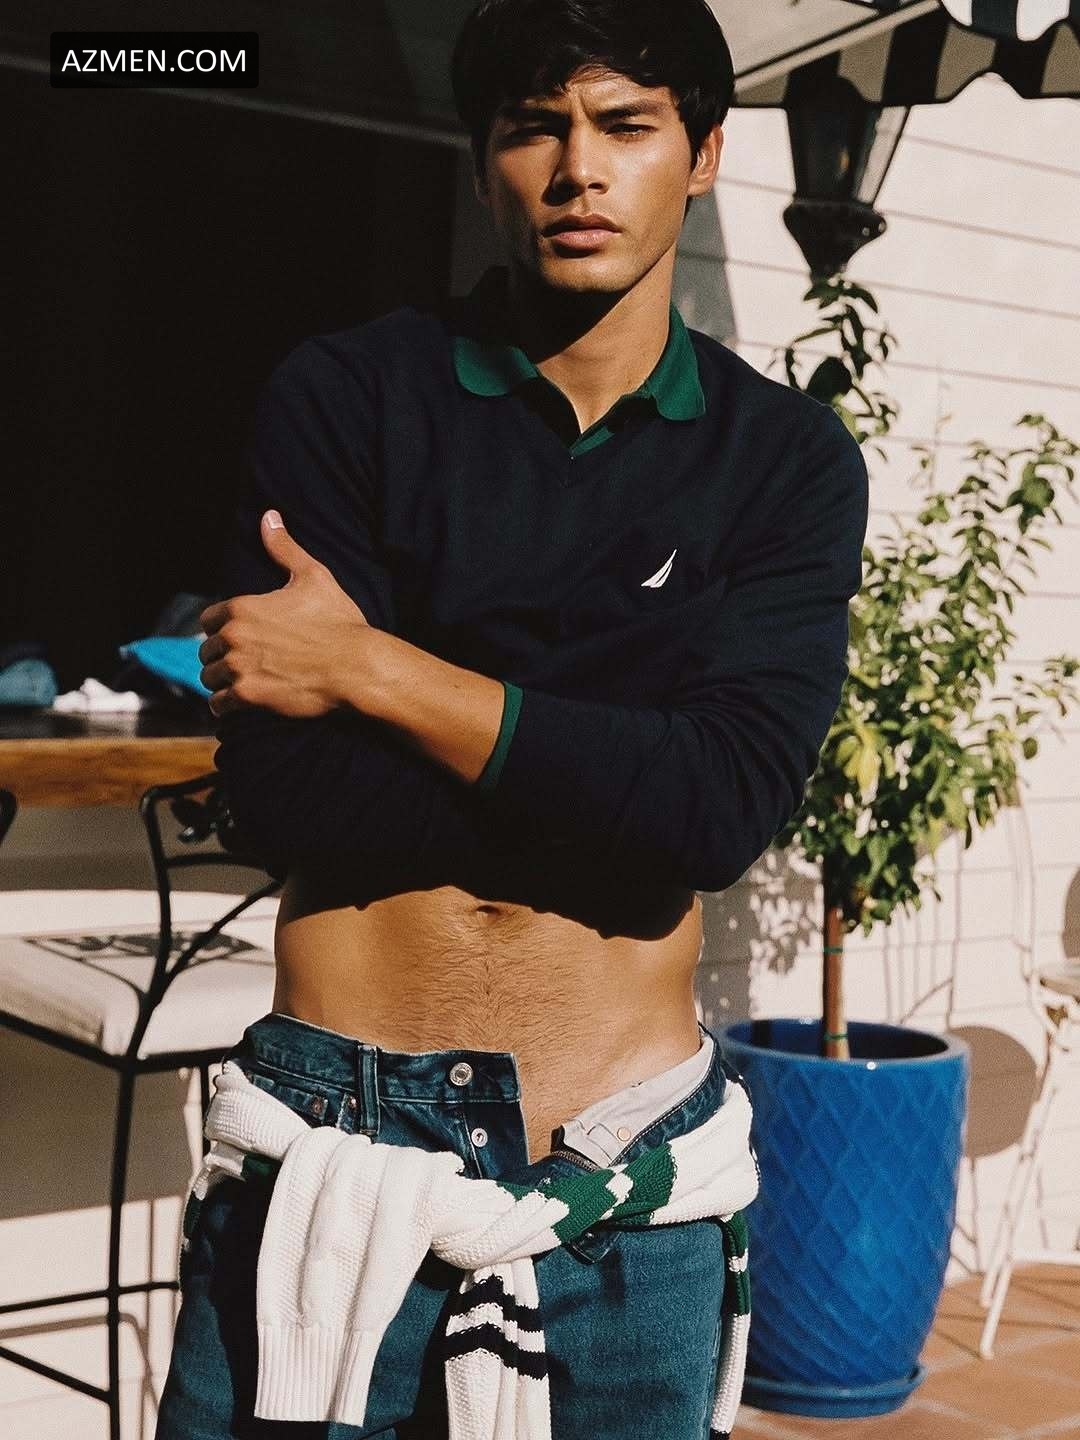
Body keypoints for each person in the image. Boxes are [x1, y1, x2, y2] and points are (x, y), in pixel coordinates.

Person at [156, 0, 869, 1436]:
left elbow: (717, 810)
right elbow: (296, 795)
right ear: (482, 160)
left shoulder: (785, 461)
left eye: (626, 125)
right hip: (334, 1142)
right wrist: (618, 761)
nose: (578, 168)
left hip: (622, 1174)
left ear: (704, 154)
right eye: (536, 127)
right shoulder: (350, 398)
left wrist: (375, 673)